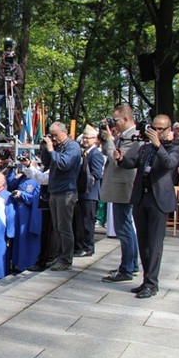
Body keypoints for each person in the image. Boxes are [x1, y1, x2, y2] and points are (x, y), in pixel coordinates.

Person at [113, 115, 179, 298]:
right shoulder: (146, 148)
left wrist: (158, 145)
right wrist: (121, 158)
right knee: (143, 242)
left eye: (160, 129)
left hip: (158, 200)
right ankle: (146, 281)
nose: (155, 131)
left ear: (168, 130)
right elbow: (132, 163)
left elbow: (168, 164)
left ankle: (152, 283)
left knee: (154, 244)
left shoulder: (175, 148)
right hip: (141, 197)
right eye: (154, 128)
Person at [101, 105, 142, 283]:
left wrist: (110, 139)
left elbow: (116, 159)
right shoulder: (123, 136)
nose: (114, 123)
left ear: (125, 119)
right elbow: (106, 151)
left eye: (116, 120)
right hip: (120, 186)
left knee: (123, 228)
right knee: (126, 227)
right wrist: (108, 137)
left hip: (123, 187)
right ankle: (131, 265)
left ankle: (126, 269)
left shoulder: (133, 137)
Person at [40, 122, 82, 271]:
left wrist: (51, 149)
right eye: (52, 135)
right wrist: (45, 148)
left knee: (64, 227)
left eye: (55, 135)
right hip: (55, 191)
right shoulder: (56, 147)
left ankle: (66, 259)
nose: (54, 138)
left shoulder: (73, 147)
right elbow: (46, 163)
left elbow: (64, 164)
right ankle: (59, 255)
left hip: (67, 192)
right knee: (57, 227)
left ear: (64, 133)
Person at [73, 125, 105, 257]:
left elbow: (97, 174)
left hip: (90, 193)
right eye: (84, 138)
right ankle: (80, 246)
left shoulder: (96, 154)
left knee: (88, 221)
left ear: (95, 139)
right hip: (81, 193)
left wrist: (87, 180)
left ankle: (88, 247)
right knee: (80, 221)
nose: (85, 140)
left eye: (88, 138)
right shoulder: (85, 153)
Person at [6, 161, 42, 271]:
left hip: (28, 215)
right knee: (18, 239)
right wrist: (11, 170)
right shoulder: (22, 178)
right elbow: (11, 184)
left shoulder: (38, 181)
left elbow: (35, 200)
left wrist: (22, 195)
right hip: (18, 213)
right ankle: (17, 263)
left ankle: (27, 264)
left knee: (26, 239)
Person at [0, 38, 24, 135]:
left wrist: (15, 82)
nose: (8, 56)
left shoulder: (16, 67)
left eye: (10, 54)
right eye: (6, 53)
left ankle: (9, 134)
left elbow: (21, 80)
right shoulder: (0, 65)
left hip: (10, 92)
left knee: (10, 114)